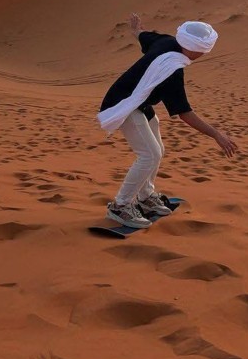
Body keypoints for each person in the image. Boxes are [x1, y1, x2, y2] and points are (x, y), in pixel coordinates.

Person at [98, 13, 238, 228]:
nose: (204, 53)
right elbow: (185, 113)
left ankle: (146, 196)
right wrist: (217, 134)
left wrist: (136, 29)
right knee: (149, 154)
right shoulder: (172, 70)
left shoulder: (167, 41)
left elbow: (144, 37)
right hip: (124, 103)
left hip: (141, 103)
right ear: (195, 49)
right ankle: (121, 206)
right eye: (204, 49)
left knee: (157, 150)